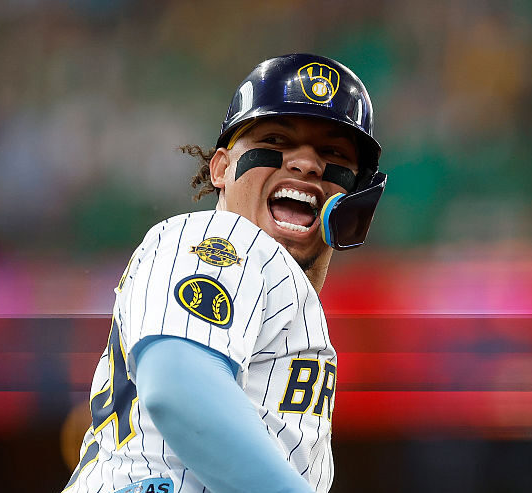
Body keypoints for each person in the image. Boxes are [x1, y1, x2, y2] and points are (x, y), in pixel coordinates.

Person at [62, 53, 387, 493]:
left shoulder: (283, 297)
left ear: (356, 197)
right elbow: (179, 389)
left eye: (332, 153)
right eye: (276, 139)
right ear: (220, 168)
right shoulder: (219, 240)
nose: (306, 164)